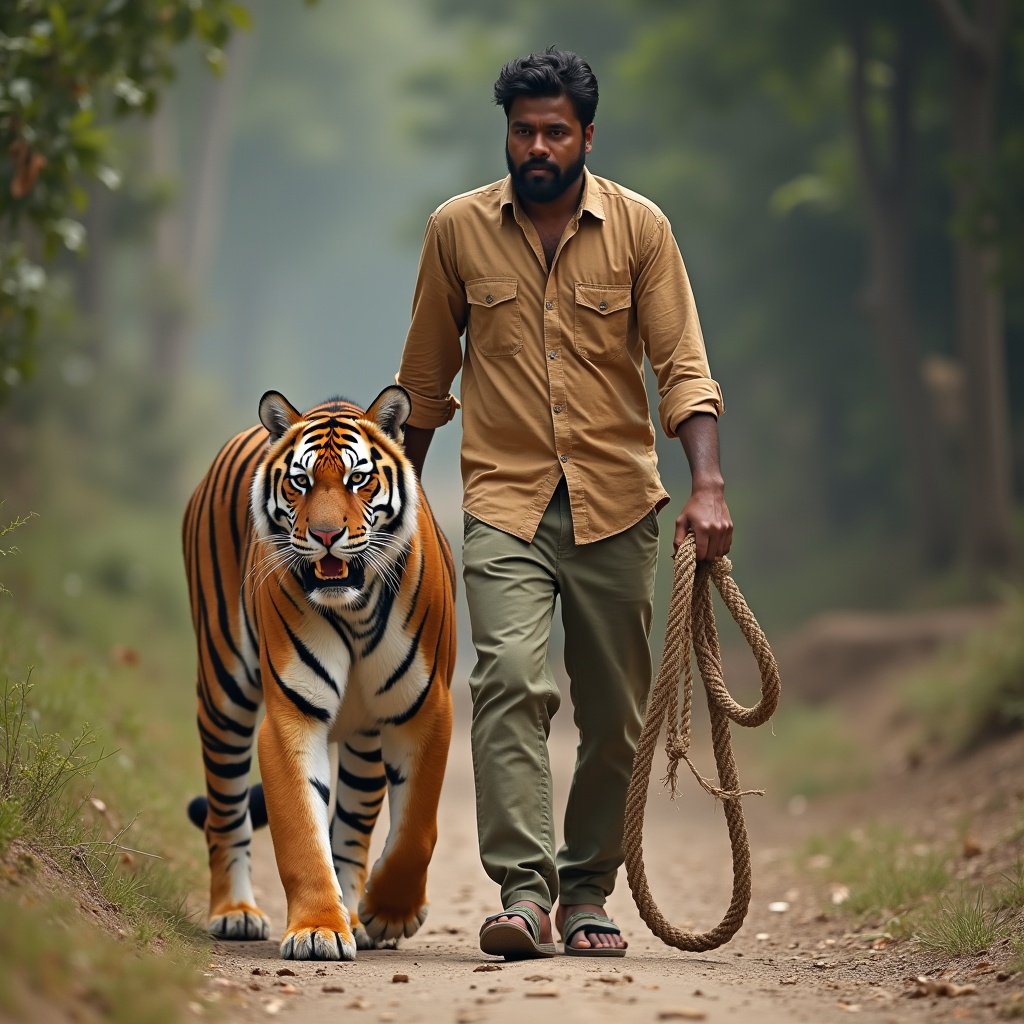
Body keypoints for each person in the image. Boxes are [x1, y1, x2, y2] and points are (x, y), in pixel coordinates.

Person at [396, 47, 733, 959]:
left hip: (618, 504)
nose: (536, 145)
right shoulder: (456, 230)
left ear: (587, 135)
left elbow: (683, 368)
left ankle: (587, 891)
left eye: (554, 130)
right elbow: (425, 383)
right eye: (522, 130)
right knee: (508, 680)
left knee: (617, 714)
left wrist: (706, 484)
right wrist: (399, 512)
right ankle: (523, 892)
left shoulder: (640, 229)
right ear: (505, 134)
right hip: (503, 502)